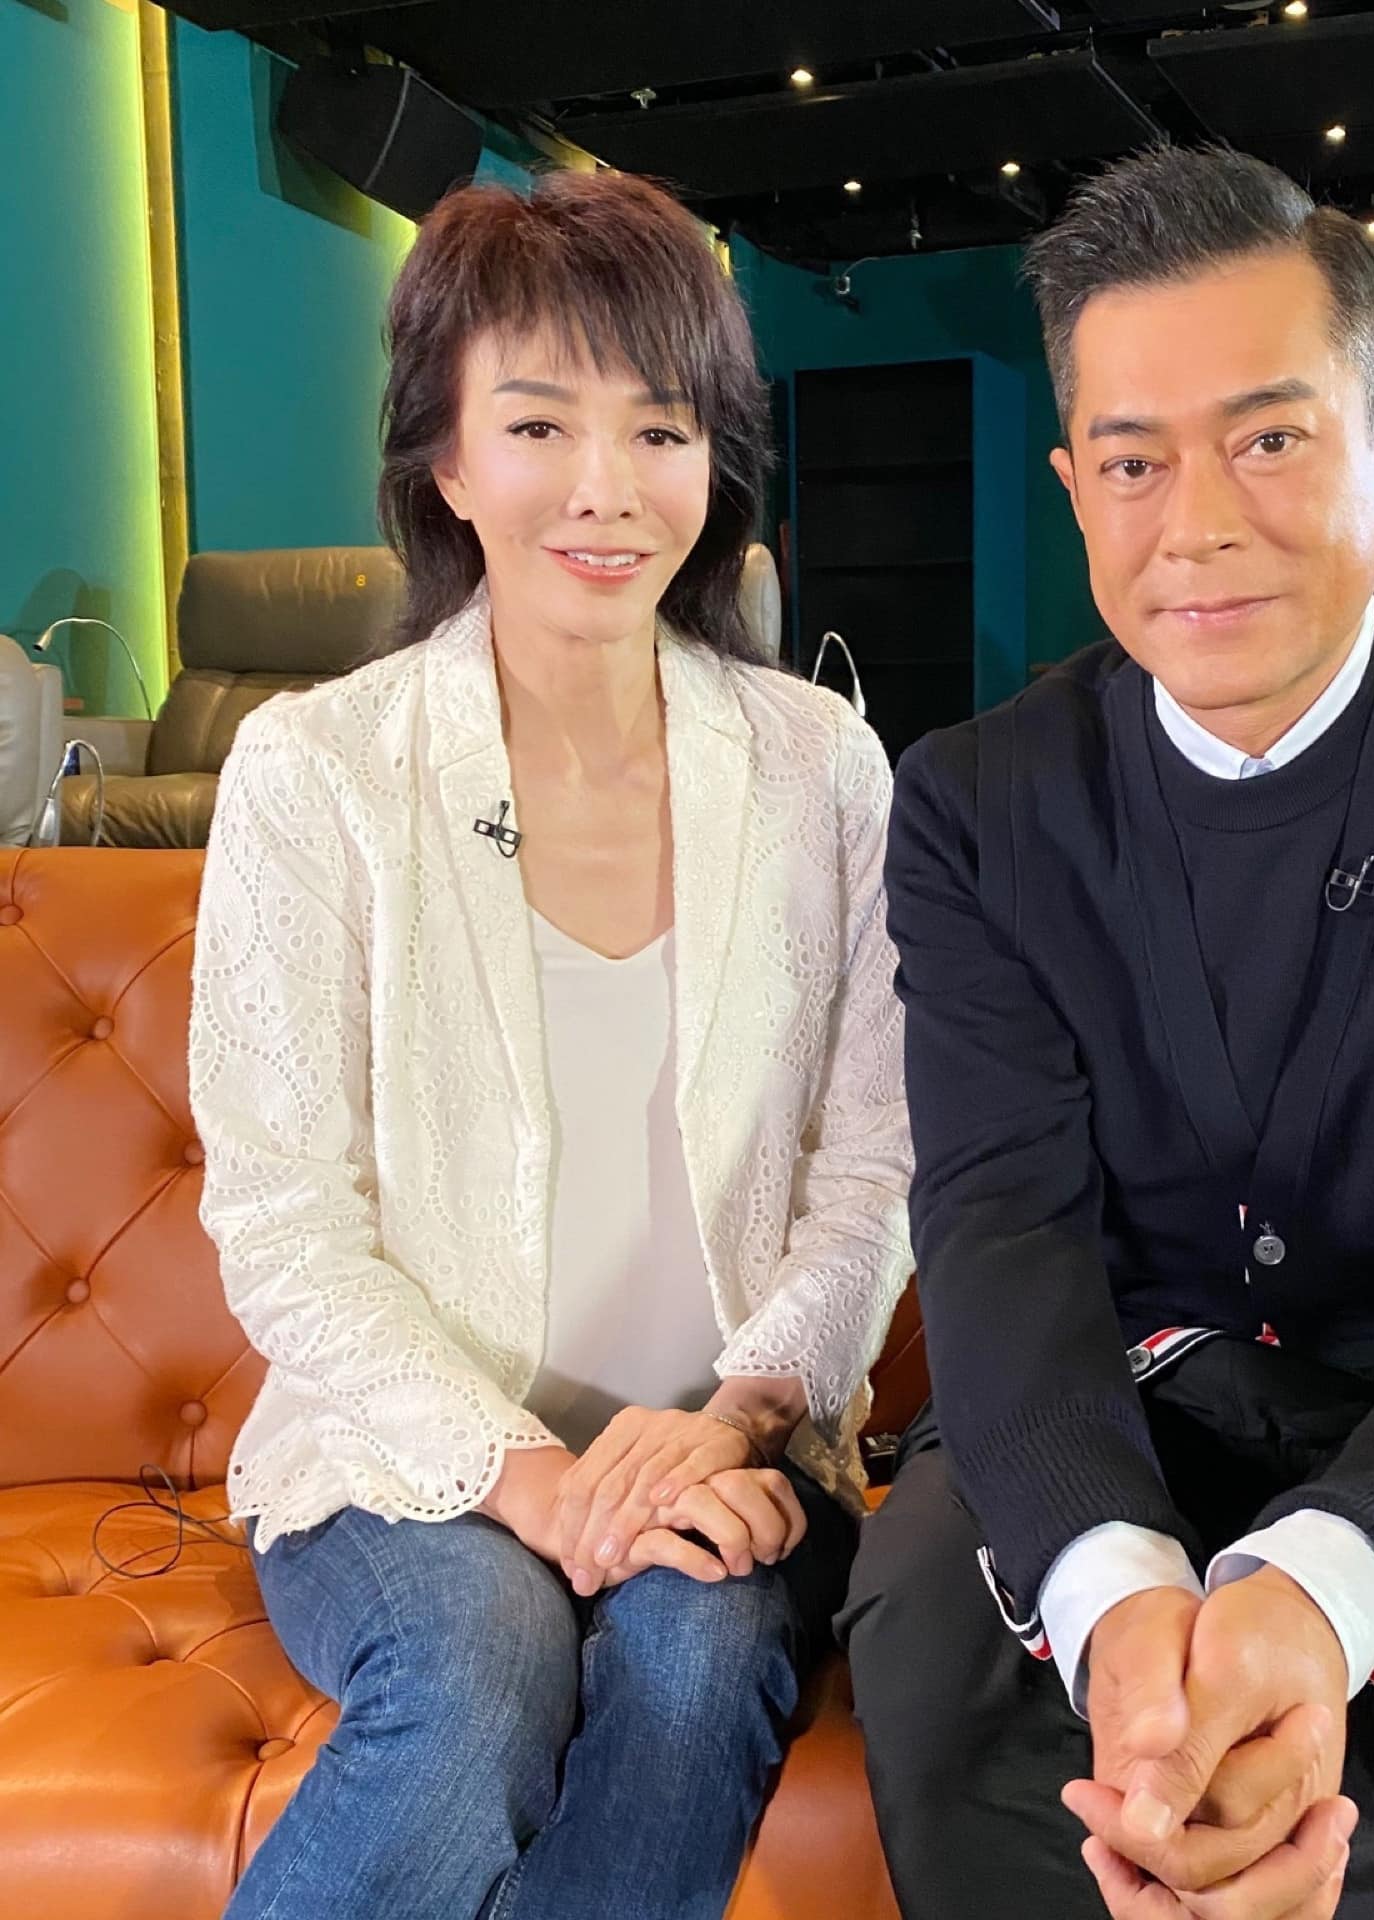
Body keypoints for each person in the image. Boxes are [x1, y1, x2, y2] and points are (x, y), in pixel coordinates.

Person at [842, 145, 1374, 1920]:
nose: (1196, 524)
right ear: (1074, 485)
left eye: (1267, 439)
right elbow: (1004, 1235)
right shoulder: (978, 808)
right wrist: (1123, 1601)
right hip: (1128, 1390)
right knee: (950, 1666)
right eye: (1132, 462)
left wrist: (1321, 1590)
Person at [189, 167, 912, 1920]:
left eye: (659, 430)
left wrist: (741, 1417)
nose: (606, 488)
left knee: (690, 1663)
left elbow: (879, 1166)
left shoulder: (821, 765)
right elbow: (283, 1222)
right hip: (406, 1462)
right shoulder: (319, 771)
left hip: (731, 1447)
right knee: (478, 1680)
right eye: (537, 424)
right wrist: (537, 1485)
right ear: (445, 461)